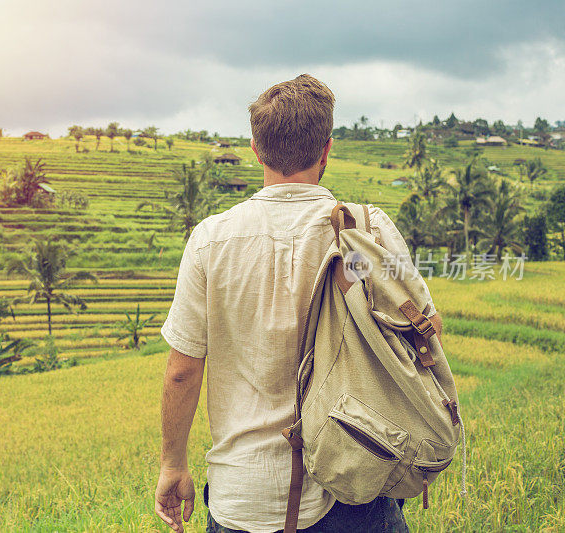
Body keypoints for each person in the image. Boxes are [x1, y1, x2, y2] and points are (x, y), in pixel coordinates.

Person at [155, 75, 436, 532]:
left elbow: (182, 370)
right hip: (354, 486)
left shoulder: (211, 240)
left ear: (255, 148)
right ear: (326, 149)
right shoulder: (368, 232)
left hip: (242, 498)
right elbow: (423, 332)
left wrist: (172, 464)